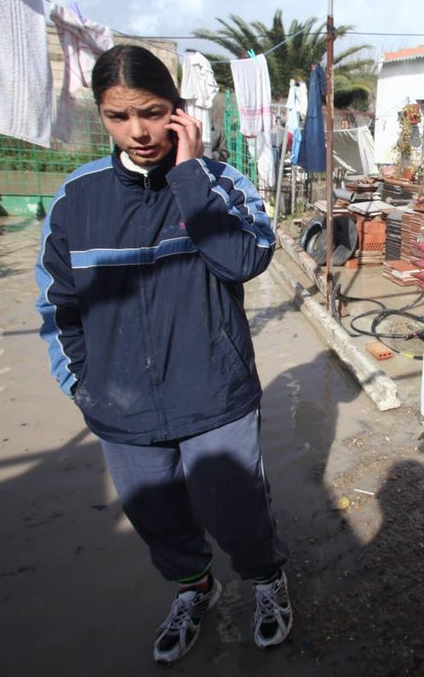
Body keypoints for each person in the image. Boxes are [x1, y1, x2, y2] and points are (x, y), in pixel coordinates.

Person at [35, 45, 292, 665]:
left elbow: (246, 259)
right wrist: (83, 385)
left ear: (179, 111)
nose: (139, 131)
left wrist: (189, 175)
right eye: (119, 117)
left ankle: (268, 582)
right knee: (159, 519)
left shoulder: (220, 182)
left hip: (215, 395)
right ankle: (193, 589)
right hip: (121, 407)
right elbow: (56, 305)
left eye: (153, 112)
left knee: (237, 512)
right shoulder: (78, 197)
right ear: (102, 116)